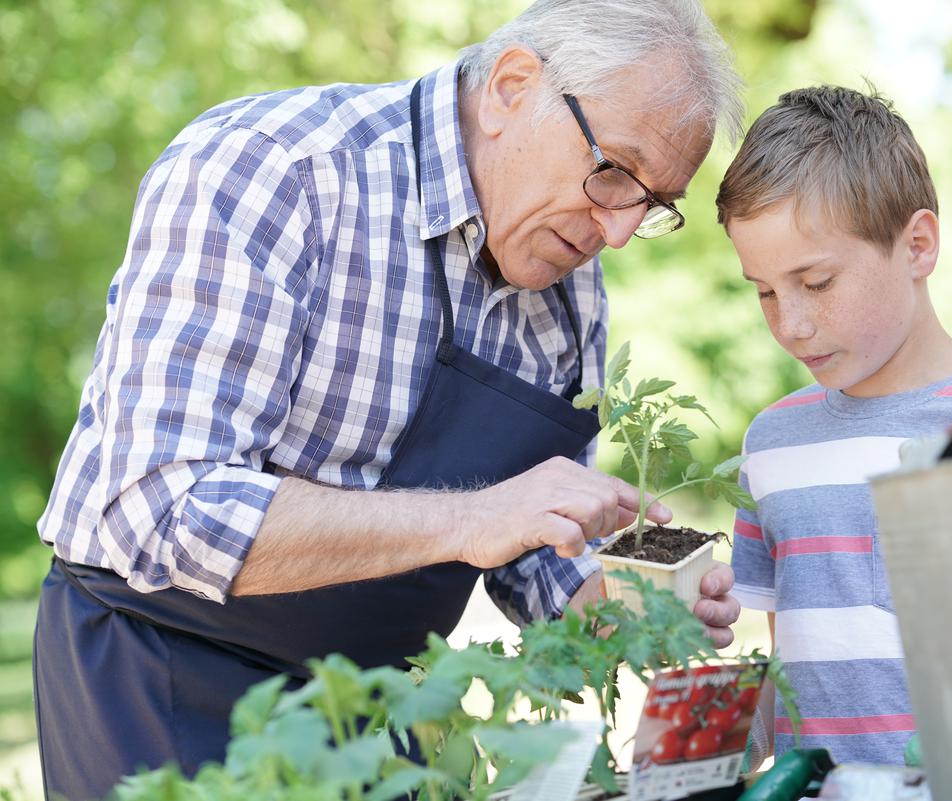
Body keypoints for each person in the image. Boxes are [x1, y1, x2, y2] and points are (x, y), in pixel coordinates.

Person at [32, 2, 746, 798]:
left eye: (653, 204)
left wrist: (612, 601)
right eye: (614, 169)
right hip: (164, 678)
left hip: (381, 714)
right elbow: (159, 506)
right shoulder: (274, 169)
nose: (617, 231)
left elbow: (534, 548)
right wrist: (473, 518)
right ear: (513, 86)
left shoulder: (569, 289)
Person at [715, 85, 952, 766]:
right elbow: (785, 679)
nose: (791, 323)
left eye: (816, 283)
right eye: (763, 290)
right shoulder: (771, 445)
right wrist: (693, 743)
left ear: (918, 246)